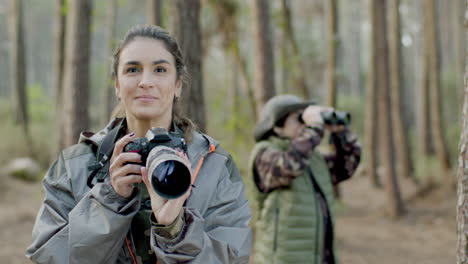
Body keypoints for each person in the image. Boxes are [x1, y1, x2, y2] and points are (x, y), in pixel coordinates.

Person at [26, 25, 252, 264]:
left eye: (160, 69)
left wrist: (173, 230)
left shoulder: (213, 164)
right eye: (133, 69)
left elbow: (232, 257)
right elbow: (48, 256)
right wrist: (110, 200)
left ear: (178, 85)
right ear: (117, 85)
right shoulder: (75, 165)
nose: (145, 81)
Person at [249, 94, 361, 264]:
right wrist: (314, 127)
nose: (305, 123)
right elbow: (289, 166)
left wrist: (340, 132)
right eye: (299, 118)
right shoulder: (265, 154)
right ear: (277, 123)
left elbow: (345, 167)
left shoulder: (312, 158)